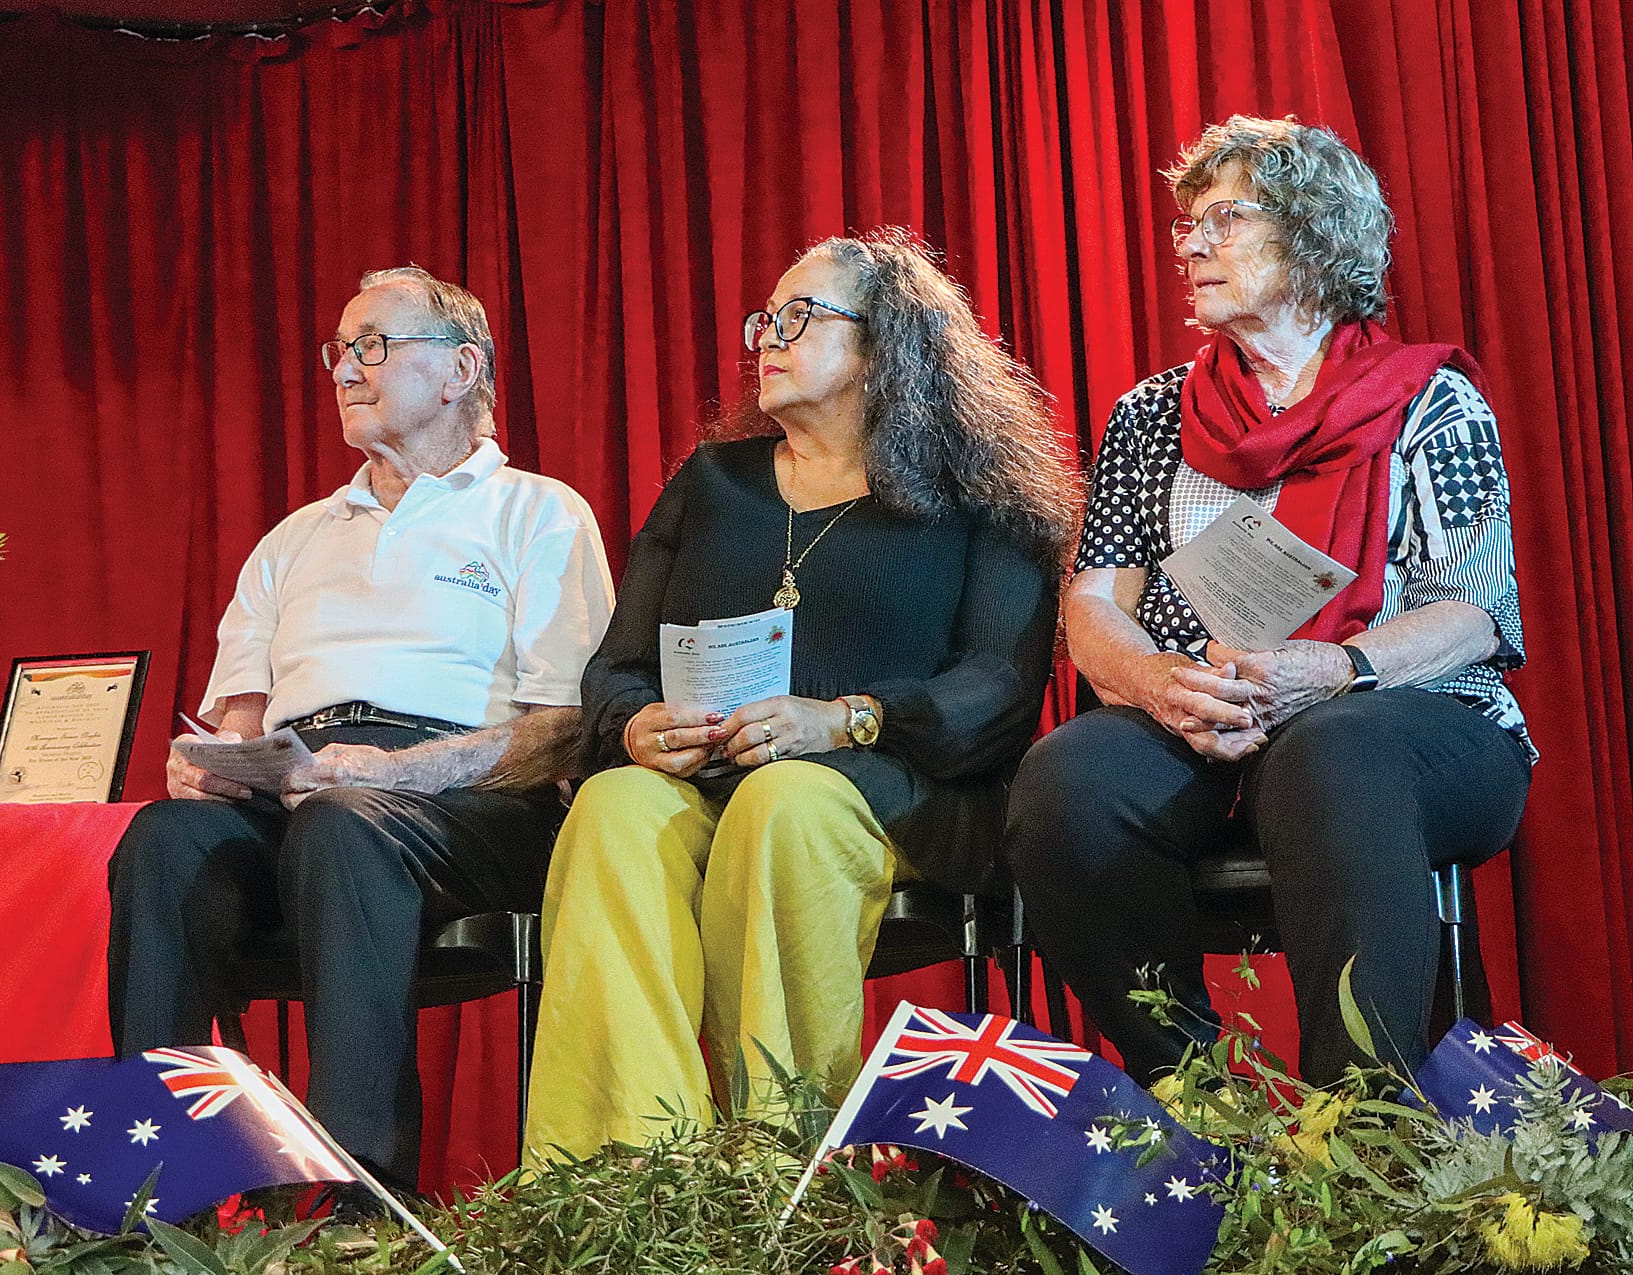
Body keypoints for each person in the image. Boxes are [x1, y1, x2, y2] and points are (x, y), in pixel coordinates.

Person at [523, 230, 1081, 1161]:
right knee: (613, 808)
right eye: (763, 320)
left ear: (884, 344)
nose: (765, 339)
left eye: (798, 317)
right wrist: (635, 725)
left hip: (897, 787)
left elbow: (997, 687)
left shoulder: (980, 490)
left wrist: (846, 718)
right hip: (706, 778)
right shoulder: (712, 483)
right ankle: (631, 1175)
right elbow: (616, 668)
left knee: (785, 802)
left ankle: (777, 1166)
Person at [1005, 116, 1534, 1087]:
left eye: (1225, 219)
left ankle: (1361, 1131)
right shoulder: (1151, 415)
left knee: (1329, 748)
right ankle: (1198, 1102)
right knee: (1065, 785)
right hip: (1202, 716)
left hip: (1404, 721)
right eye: (1186, 227)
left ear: (1314, 234)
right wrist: (1158, 684)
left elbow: (1470, 612)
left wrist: (1333, 669)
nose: (1191, 245)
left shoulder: (1429, 404)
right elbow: (1092, 603)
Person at [106, 266, 613, 1199]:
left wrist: (401, 772)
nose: (345, 368)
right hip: (304, 788)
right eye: (341, 350)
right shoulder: (295, 537)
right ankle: (155, 1185)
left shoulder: (538, 512)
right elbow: (239, 717)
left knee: (347, 819)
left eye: (374, 344)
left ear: (461, 370)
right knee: (163, 839)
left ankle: (360, 1199)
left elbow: (564, 730)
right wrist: (212, 766)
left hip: (469, 804)